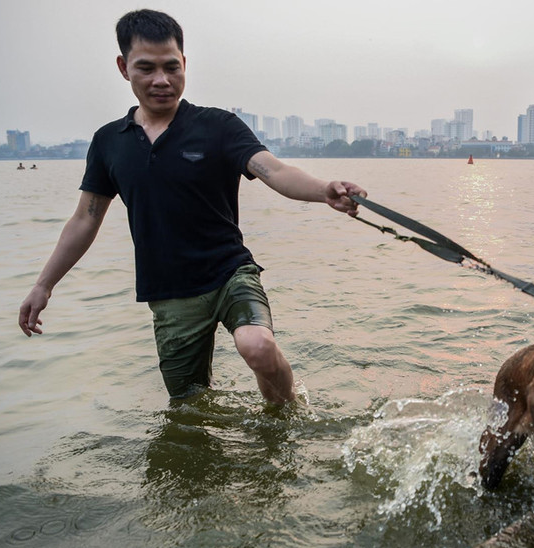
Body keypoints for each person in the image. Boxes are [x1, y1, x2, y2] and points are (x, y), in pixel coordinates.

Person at [18, 9, 367, 405]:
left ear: (184, 63)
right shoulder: (109, 142)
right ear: (123, 67)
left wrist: (325, 190)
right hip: (169, 292)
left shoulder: (218, 126)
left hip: (229, 271)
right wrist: (44, 285)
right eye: (146, 68)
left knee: (257, 346)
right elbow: (85, 219)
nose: (162, 80)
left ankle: (285, 420)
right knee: (188, 406)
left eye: (171, 67)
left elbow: (273, 170)